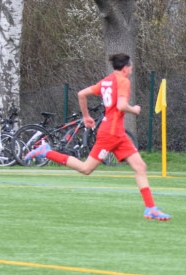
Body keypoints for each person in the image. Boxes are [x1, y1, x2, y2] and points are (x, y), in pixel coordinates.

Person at [26, 53, 170, 221]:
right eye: (130, 67)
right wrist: (134, 109)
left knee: (140, 166)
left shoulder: (107, 81)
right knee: (86, 169)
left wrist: (86, 116)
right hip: (110, 134)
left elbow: (81, 94)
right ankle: (46, 151)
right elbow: (121, 105)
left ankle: (151, 208)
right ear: (125, 68)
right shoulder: (123, 81)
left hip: (118, 134)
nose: (131, 71)